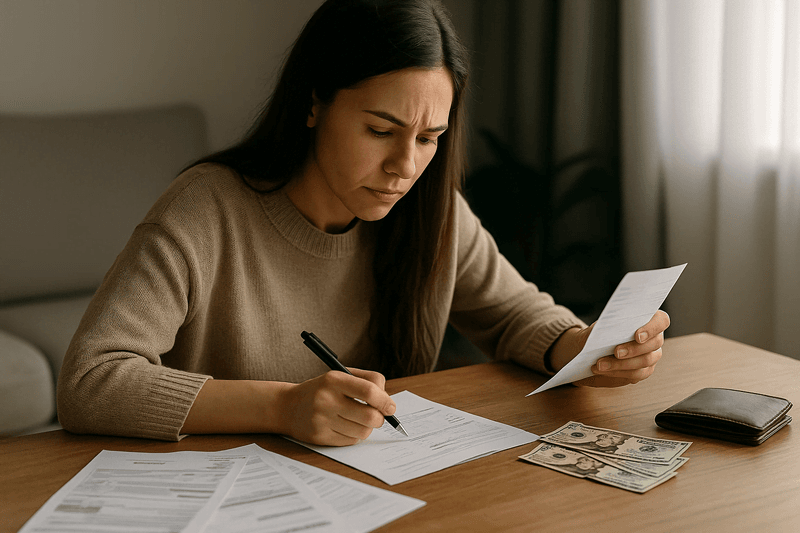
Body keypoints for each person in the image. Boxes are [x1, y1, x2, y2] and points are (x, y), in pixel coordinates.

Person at [57, 0, 670, 445]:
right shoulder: (208, 208)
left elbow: (514, 314)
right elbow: (92, 380)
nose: (406, 166)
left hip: (383, 485)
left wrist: (585, 350)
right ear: (314, 104)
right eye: (381, 130)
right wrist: (281, 406)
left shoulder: (429, 208)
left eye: (430, 138)